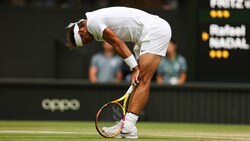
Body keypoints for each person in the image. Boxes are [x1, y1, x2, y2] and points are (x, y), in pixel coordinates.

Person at [65, 6, 171, 138]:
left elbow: (118, 43)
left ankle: (128, 126)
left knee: (143, 79)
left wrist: (135, 68)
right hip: (145, 35)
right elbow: (118, 44)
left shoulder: (92, 22)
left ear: (81, 31)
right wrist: (134, 67)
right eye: (86, 42)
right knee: (139, 81)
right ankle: (127, 125)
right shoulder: (95, 28)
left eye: (86, 39)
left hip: (155, 30)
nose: (89, 41)